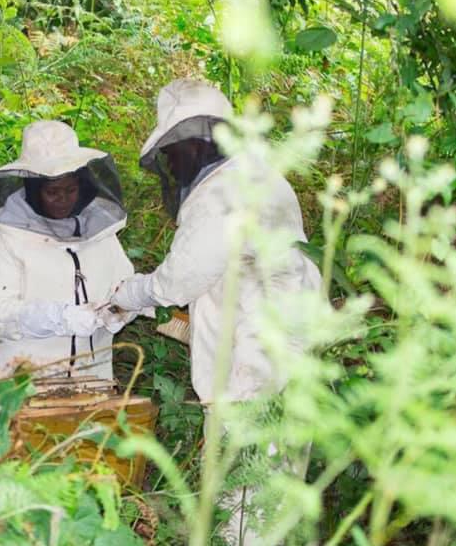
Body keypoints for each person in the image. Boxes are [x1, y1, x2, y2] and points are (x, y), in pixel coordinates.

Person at [107, 79, 322, 543]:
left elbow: (180, 279)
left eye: (174, 150)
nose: (172, 163)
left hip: (250, 377)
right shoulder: (263, 177)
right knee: (276, 500)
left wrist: (130, 293)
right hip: (287, 367)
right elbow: (232, 283)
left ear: (198, 141)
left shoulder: (221, 193)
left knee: (238, 506)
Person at [0, 120, 135, 380]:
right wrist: (59, 318)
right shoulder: (7, 239)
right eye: (52, 192)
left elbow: (125, 285)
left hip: (92, 377)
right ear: (34, 190)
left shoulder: (101, 234)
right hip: (23, 378)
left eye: (71, 190)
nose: (63, 199)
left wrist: (121, 312)